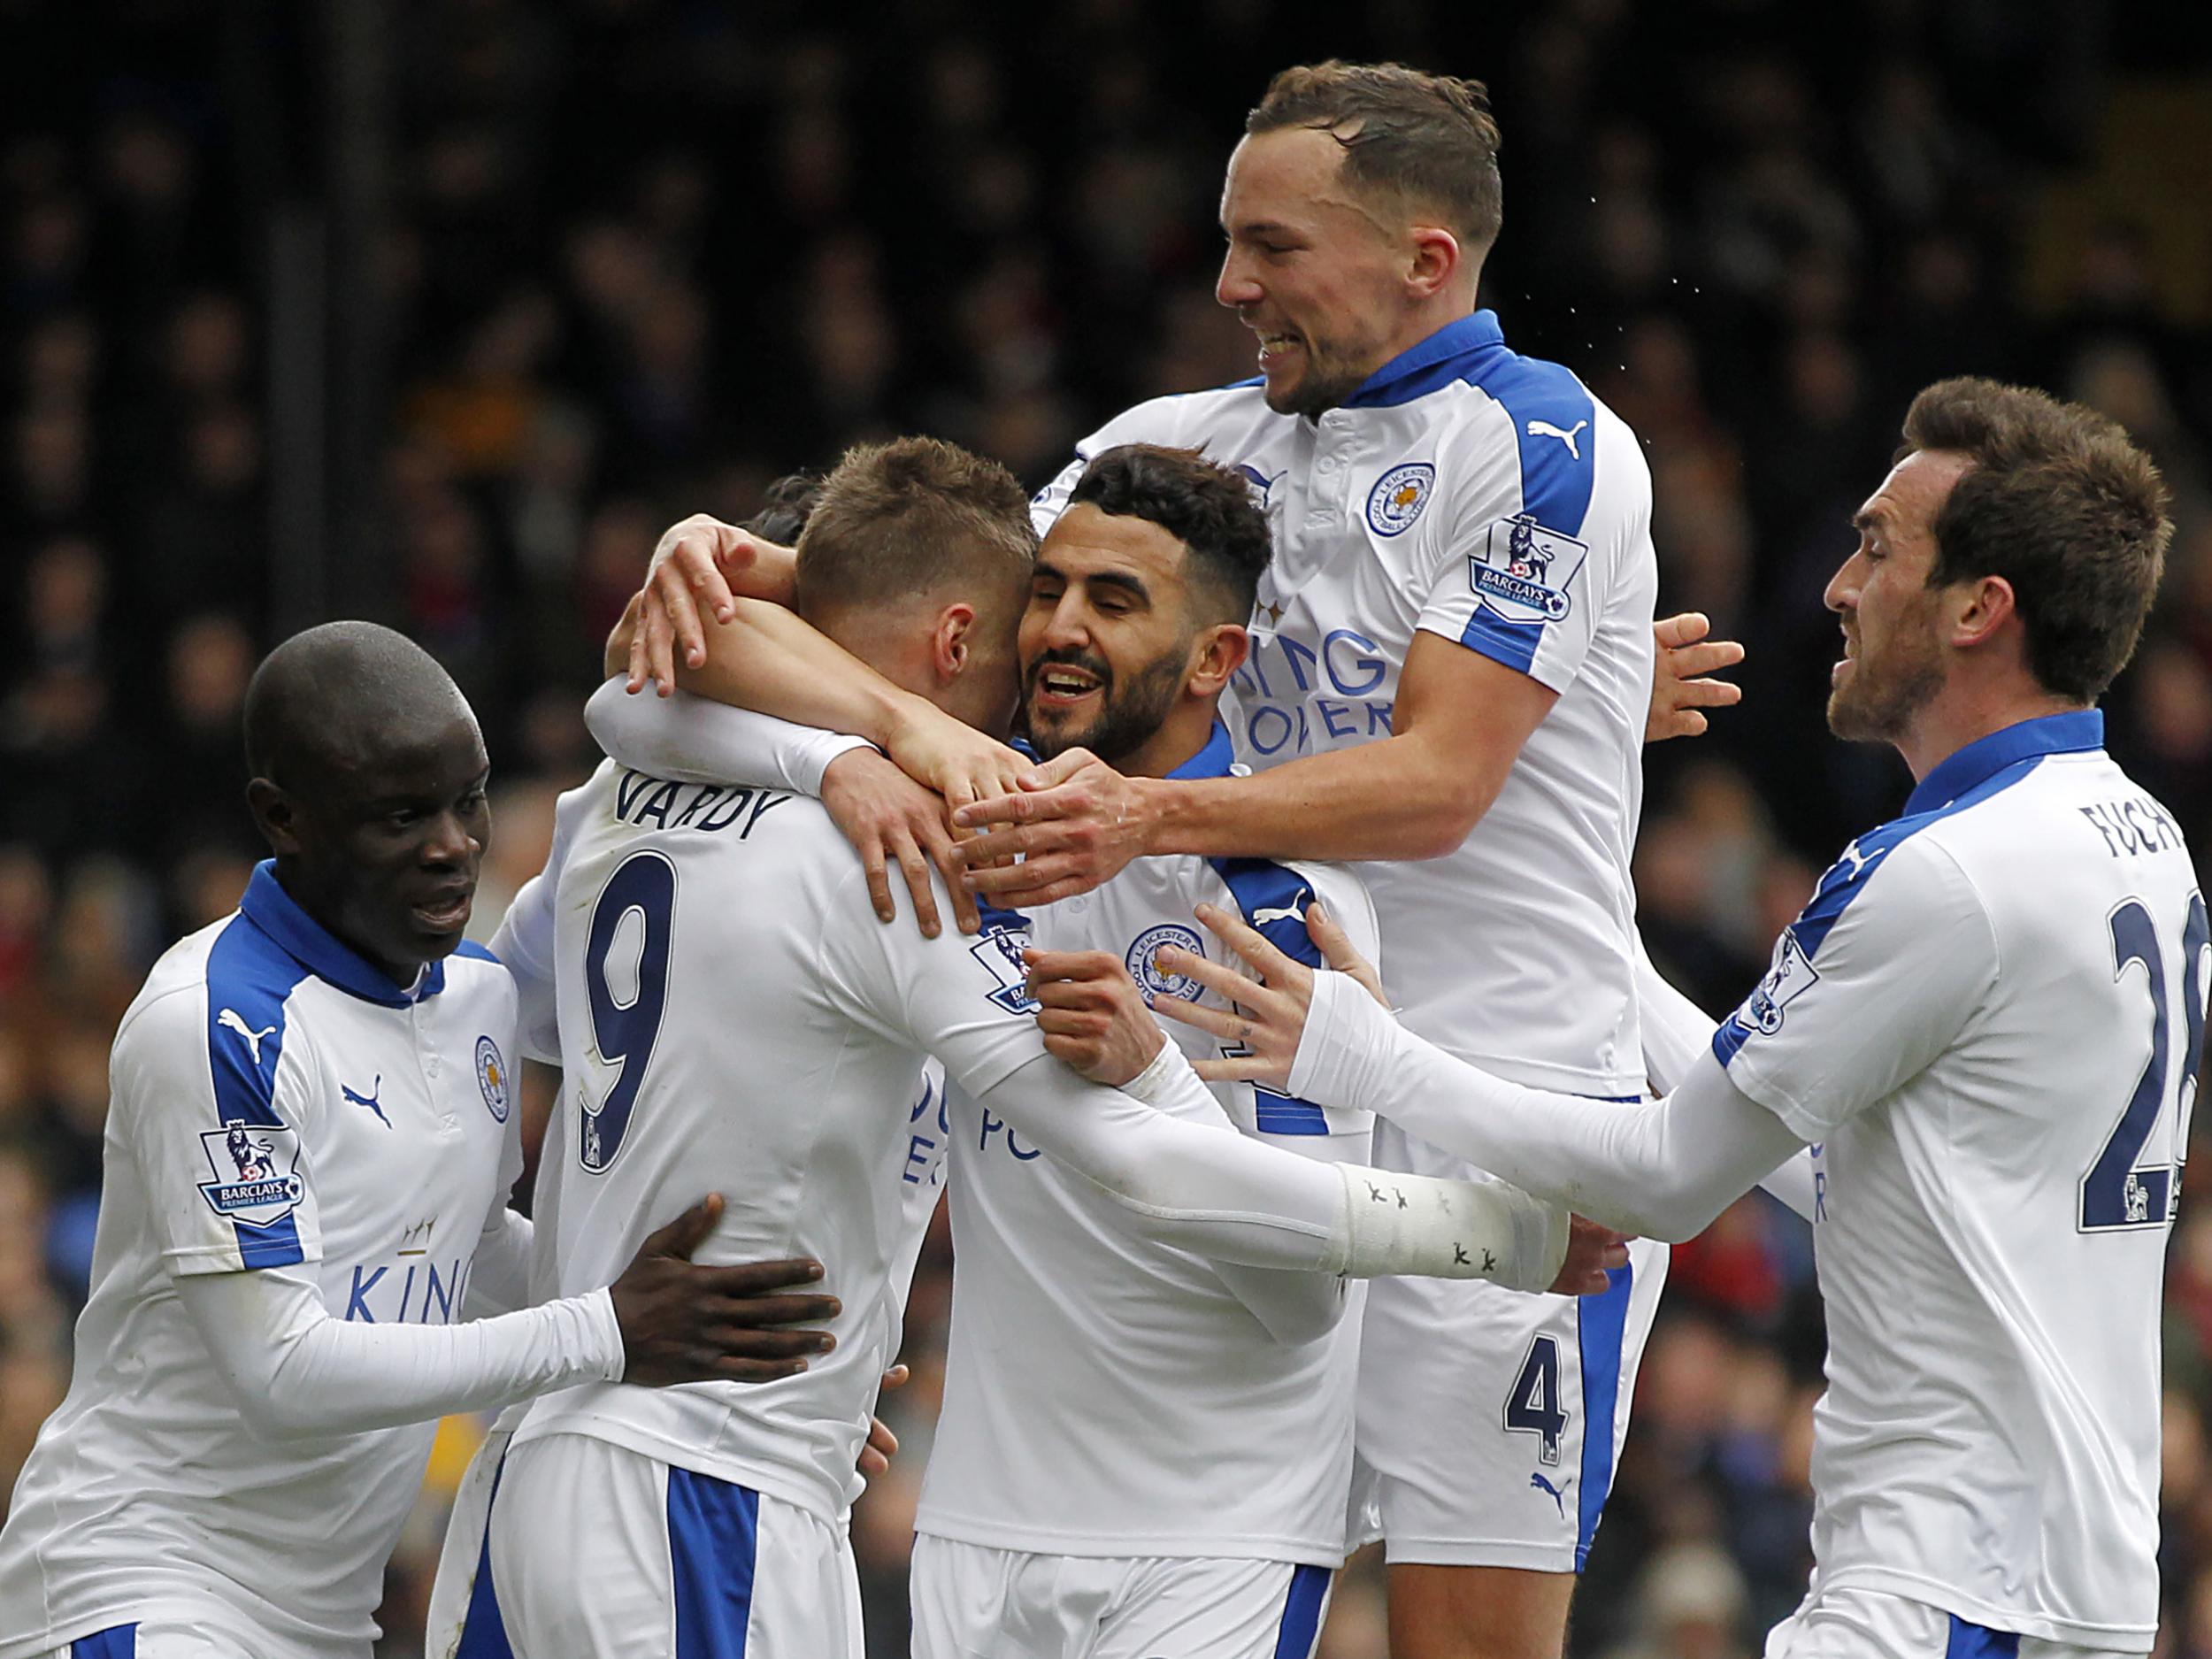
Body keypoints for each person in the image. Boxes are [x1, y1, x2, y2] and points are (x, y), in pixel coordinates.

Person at [619, 62, 1739, 1659]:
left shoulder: (1549, 442)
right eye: (1229, 241)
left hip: (1488, 1114)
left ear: (1426, 260)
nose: (1231, 284)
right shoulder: (1175, 451)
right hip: (1220, 1080)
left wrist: (1147, 816)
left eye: (1275, 247)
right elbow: (803, 624)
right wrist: (872, 726)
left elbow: (1436, 786)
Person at [449, 438, 1597, 1658]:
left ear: (1214, 656)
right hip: (733, 1490)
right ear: (956, 639)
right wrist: (1506, 1231)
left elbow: (629, 701)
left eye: (1110, 600)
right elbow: (1154, 1165)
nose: (1050, 637)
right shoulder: (914, 849)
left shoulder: (633, 790)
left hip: (1179, 1541)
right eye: (1037, 600)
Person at [1156, 378, 2184, 1659]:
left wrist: (1367, 1052)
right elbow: (1859, 1169)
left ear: (1981, 609)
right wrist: (1569, 775)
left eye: (1876, 547)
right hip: (2064, 1573)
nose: (1837, 588)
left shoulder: (1941, 876)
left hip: (1949, 1589)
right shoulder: (2135, 836)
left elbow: (1665, 1176)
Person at [0, 623, 846, 1659]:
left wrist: (722, 1343)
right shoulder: (216, 1024)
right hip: (145, 1585)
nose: (454, 844)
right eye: (403, 814)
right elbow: (285, 1367)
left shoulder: (480, 999)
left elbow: (470, 1245)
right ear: (284, 818)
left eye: (469, 797)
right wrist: (612, 1330)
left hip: (330, 1616)